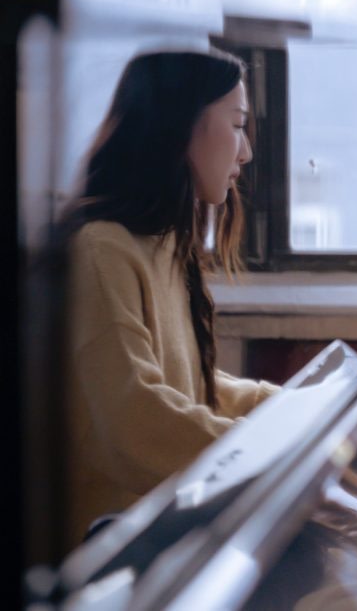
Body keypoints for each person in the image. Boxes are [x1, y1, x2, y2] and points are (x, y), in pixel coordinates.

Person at [54, 50, 277, 552]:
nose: (245, 153)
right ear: (180, 128)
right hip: (110, 545)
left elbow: (190, 385)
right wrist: (269, 449)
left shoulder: (161, 241)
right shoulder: (100, 251)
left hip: (166, 520)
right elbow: (139, 418)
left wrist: (291, 409)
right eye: (237, 125)